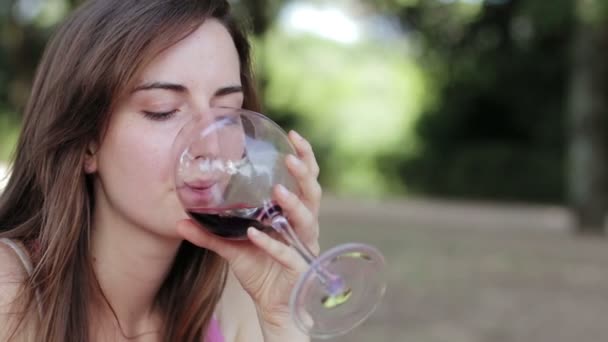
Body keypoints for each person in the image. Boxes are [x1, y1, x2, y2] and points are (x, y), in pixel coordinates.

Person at [0, 0, 323, 341]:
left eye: (228, 112)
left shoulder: (239, 295)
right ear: (87, 143)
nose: (209, 147)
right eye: (163, 110)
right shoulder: (9, 293)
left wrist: (284, 319)